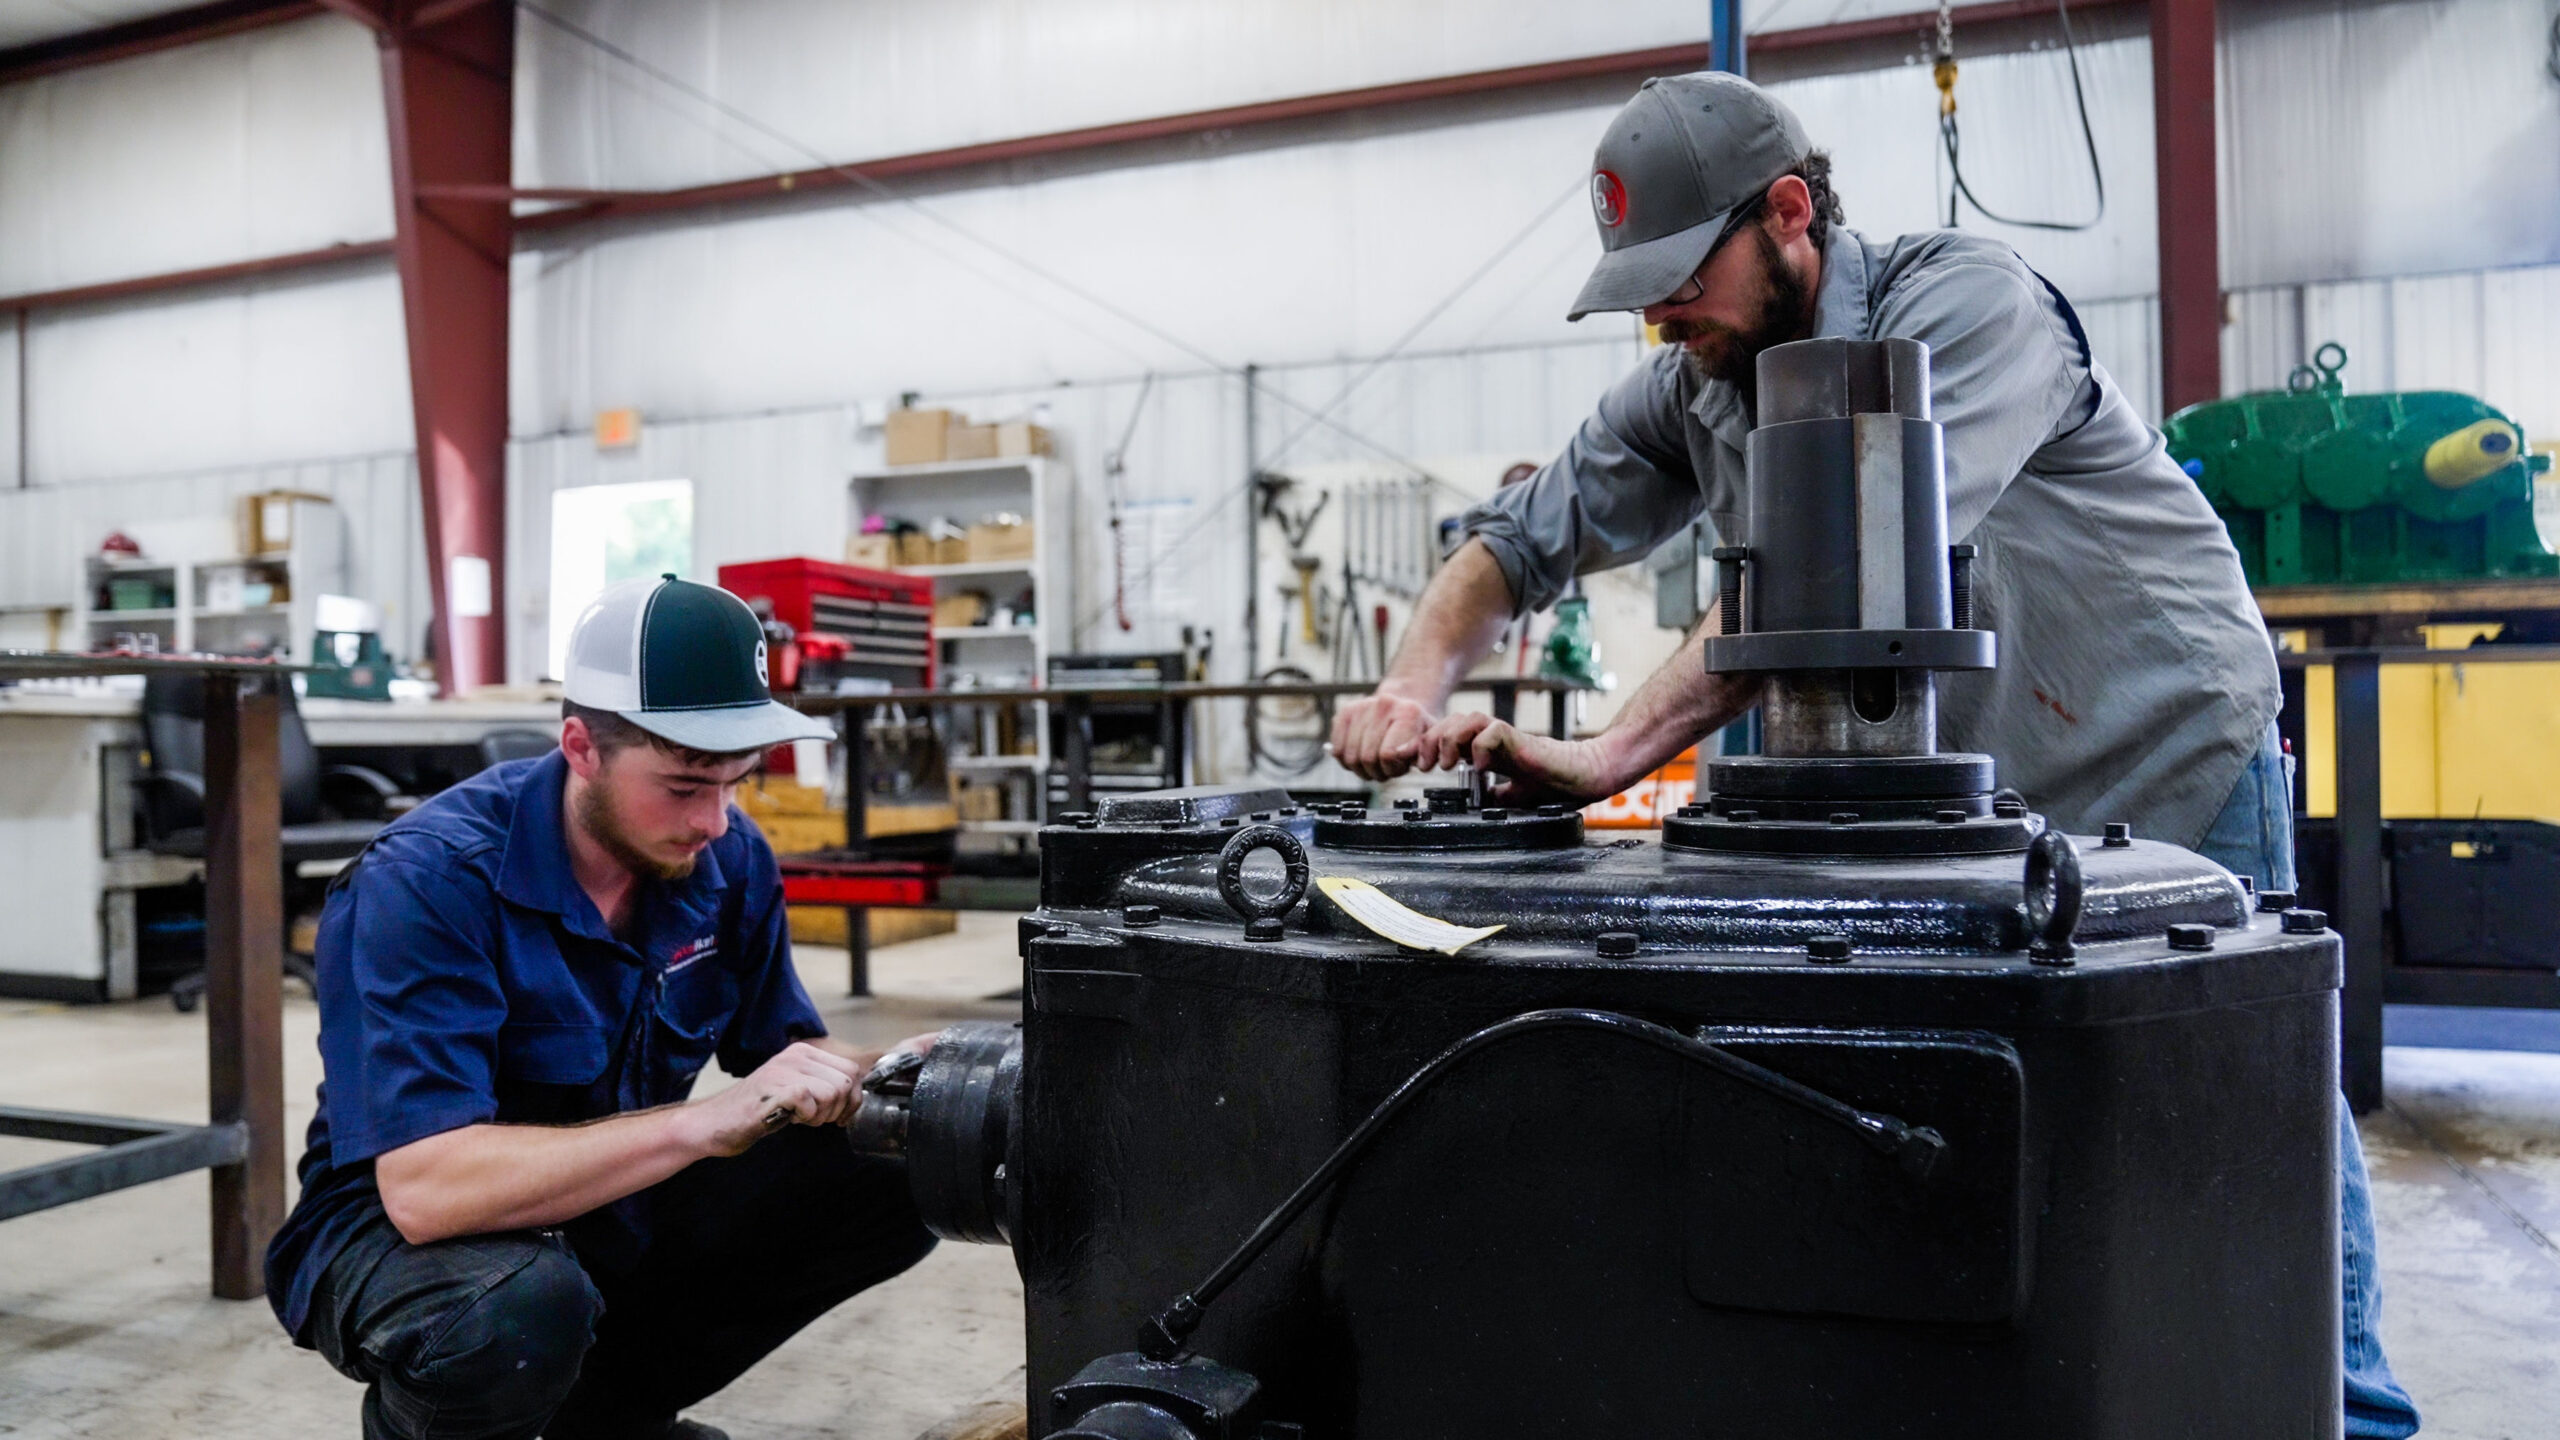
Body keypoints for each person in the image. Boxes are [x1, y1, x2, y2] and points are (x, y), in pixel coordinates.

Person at [1329, 71, 2420, 1437]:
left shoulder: (1963, 308)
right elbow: (1515, 542)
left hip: (2163, 744)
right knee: (2037, 1114)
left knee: (2245, 1102)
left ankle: (2355, 1412)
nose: (1660, 316)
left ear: (1790, 213)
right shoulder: (1698, 382)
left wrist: (1611, 750)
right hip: (1987, 806)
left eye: (1680, 276)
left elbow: (1845, 569)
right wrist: (1404, 689)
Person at [265, 574, 939, 1440]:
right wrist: (702, 1125)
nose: (716, 822)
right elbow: (427, 1189)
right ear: (581, 747)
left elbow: (789, 1059)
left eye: (737, 783)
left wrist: (919, 1072)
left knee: (895, 1163)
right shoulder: (429, 883)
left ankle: (605, 1420)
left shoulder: (729, 859)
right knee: (515, 1305)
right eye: (685, 785)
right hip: (404, 1238)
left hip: (609, 1207)